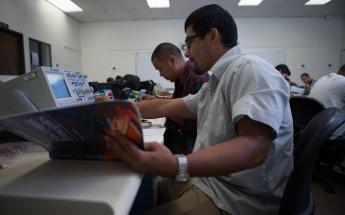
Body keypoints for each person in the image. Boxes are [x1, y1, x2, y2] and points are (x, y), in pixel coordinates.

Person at [106, 4, 293, 215]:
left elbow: (254, 147)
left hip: (234, 200)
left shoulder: (250, 69)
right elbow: (166, 105)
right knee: (141, 191)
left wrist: (178, 164)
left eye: (189, 41)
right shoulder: (216, 82)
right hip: (210, 182)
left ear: (213, 35)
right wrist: (115, 110)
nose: (186, 52)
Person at [142, 42, 210, 154]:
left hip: (192, 144)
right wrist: (157, 100)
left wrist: (159, 108)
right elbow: (179, 102)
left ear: (172, 60)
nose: (160, 75)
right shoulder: (180, 77)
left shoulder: (196, 78)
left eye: (160, 69)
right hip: (182, 136)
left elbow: (193, 121)